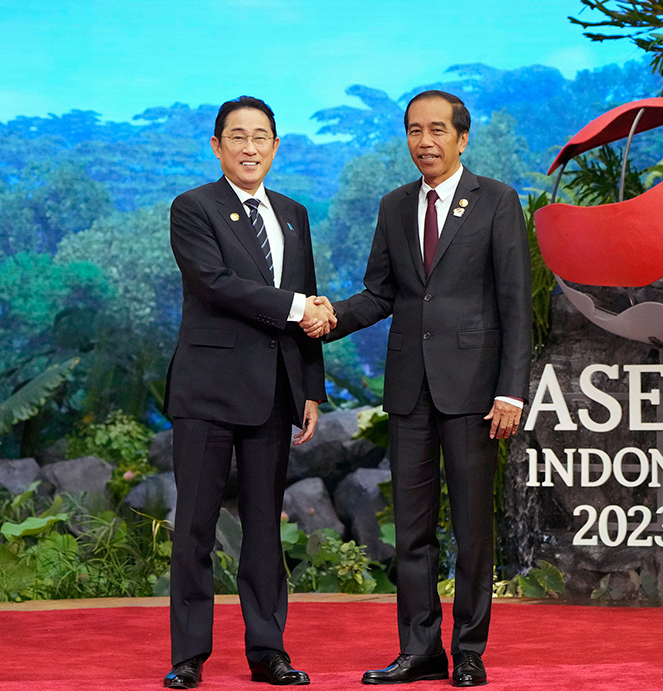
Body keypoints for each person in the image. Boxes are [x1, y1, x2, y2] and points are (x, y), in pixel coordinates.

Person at [313, 90, 532, 687]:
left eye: (437, 129)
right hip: (409, 391)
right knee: (409, 530)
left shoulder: (498, 201)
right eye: (414, 130)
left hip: (474, 394)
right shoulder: (393, 205)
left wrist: (511, 392)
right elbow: (382, 294)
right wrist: (328, 318)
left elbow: (516, 302)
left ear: (463, 138)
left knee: (471, 530)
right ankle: (419, 650)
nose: (424, 141)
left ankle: (468, 651)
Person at [163, 95, 334, 689]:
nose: (250, 147)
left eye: (261, 136)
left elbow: (307, 295)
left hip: (274, 391)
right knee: (196, 528)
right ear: (216, 146)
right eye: (237, 136)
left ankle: (268, 652)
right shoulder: (193, 208)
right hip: (207, 392)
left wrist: (310, 386)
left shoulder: (294, 213)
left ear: (276, 146)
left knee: (264, 529)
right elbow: (215, 285)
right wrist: (296, 308)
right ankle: (189, 657)